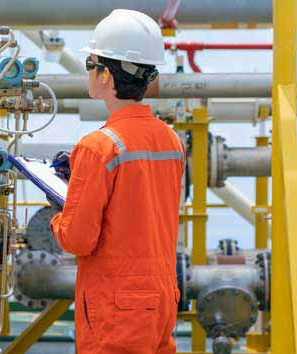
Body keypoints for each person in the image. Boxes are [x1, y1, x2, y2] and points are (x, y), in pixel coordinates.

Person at [49, 9, 185, 354]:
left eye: (91, 64)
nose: (90, 73)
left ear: (107, 76)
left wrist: (60, 211)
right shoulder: (171, 140)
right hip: (162, 297)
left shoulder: (98, 147)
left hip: (116, 308)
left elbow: (78, 238)